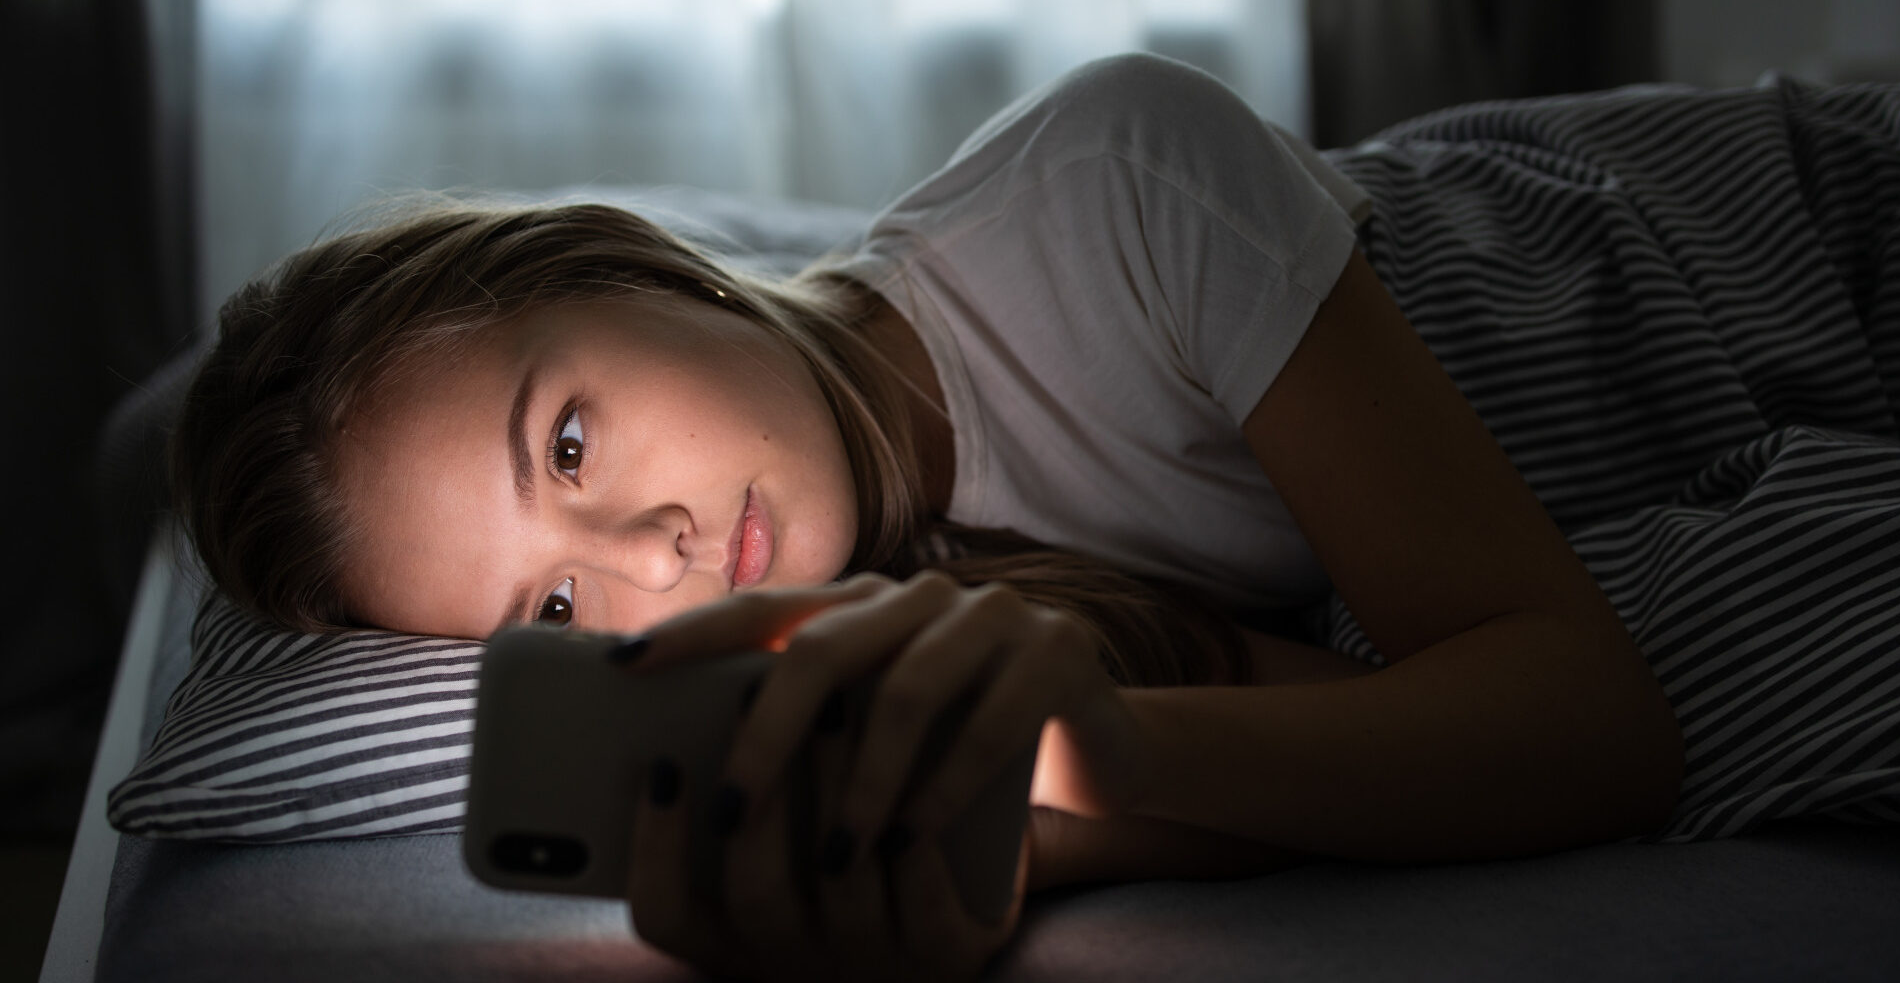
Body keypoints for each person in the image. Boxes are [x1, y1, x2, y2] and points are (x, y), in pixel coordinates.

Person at [170, 54, 1684, 981]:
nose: (648, 559)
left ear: (631, 266)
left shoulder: (1117, 176)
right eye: (554, 614)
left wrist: (1098, 754)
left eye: (568, 444)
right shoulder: (870, 603)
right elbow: (1372, 740)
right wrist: (1011, 842)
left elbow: (1585, 733)